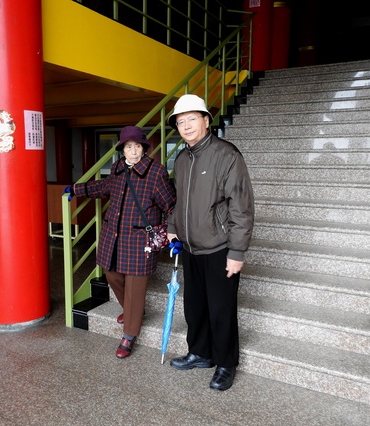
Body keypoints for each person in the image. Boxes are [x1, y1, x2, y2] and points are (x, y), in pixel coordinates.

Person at [166, 94, 254, 391]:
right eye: (181, 121)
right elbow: (179, 201)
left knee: (221, 308)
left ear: (206, 120)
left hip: (219, 247)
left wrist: (237, 251)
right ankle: (200, 352)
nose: (186, 126)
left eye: (192, 118)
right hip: (190, 247)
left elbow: (241, 207)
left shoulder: (226, 154)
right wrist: (173, 227)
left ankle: (226, 363)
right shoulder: (181, 159)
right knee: (195, 306)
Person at [64, 126, 176, 359]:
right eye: (128, 147)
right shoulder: (117, 169)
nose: (133, 151)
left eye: (137, 146)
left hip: (140, 239)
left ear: (144, 148)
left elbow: (170, 205)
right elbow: (103, 187)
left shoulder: (156, 173)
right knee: (111, 275)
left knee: (135, 286)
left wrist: (174, 232)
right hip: (114, 236)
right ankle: (133, 310)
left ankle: (129, 335)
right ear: (122, 149)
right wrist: (76, 189)